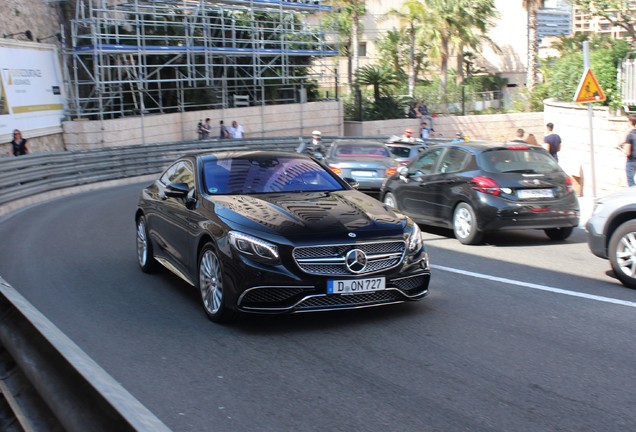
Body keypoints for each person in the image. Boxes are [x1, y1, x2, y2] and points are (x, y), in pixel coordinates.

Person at [621, 114, 636, 187]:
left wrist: (622, 149)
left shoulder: (630, 135)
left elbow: (627, 152)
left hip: (631, 161)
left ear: (630, 122)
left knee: (631, 184)